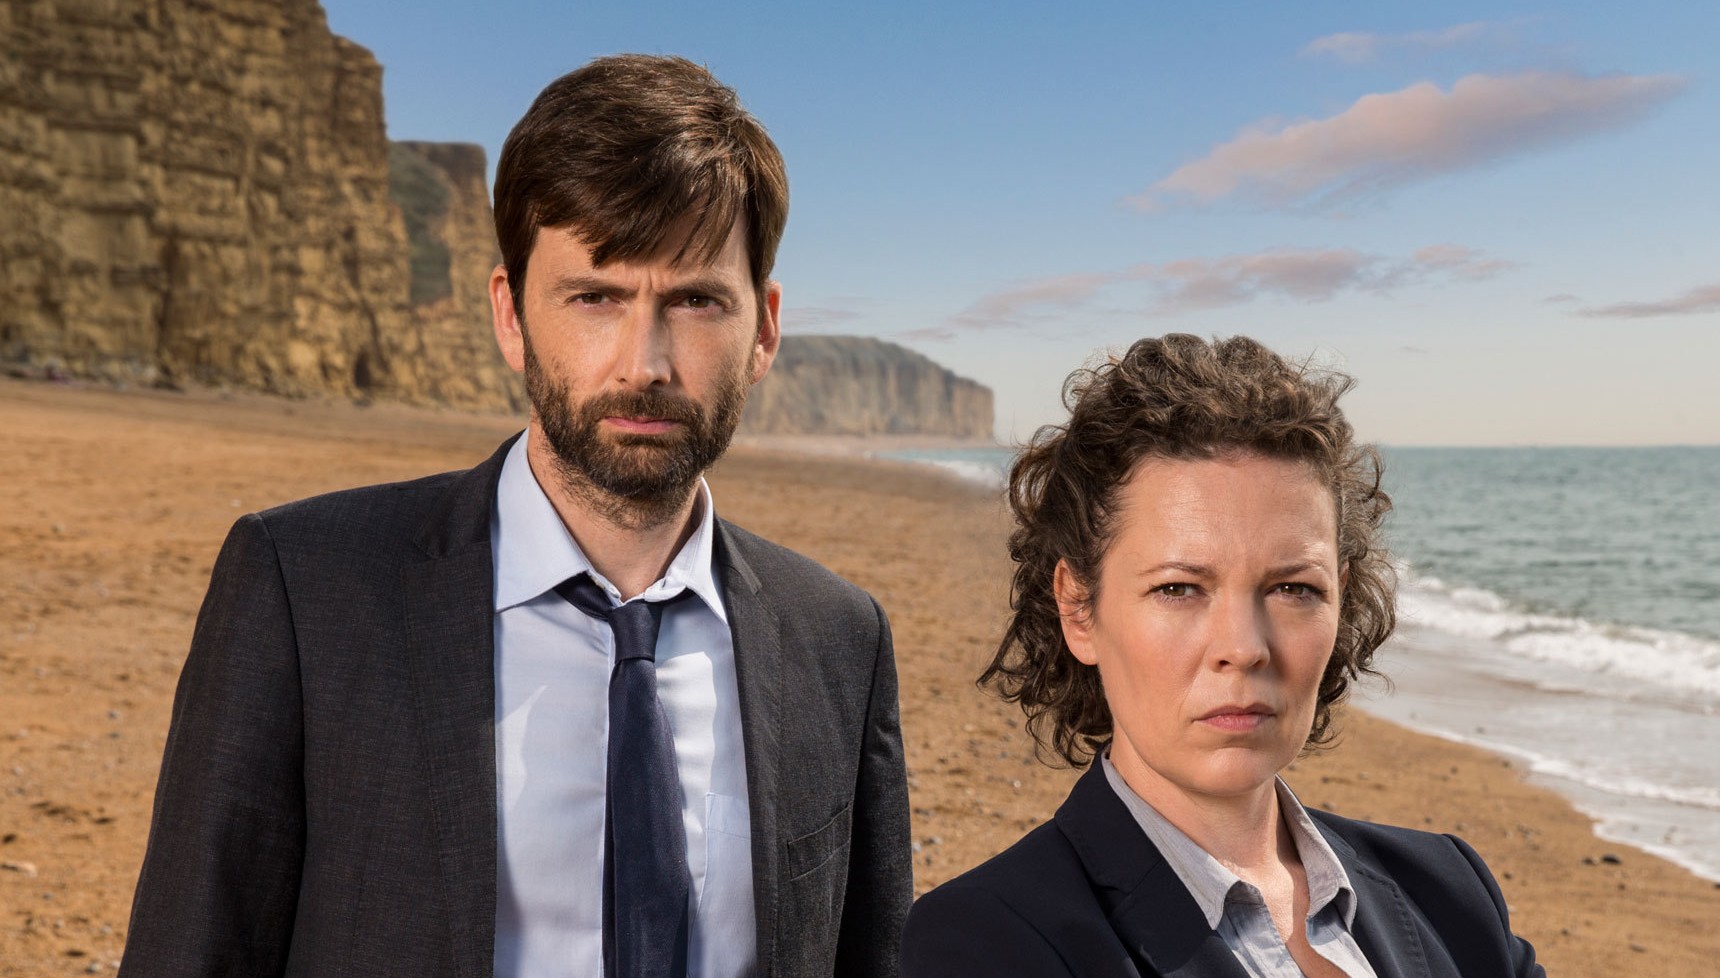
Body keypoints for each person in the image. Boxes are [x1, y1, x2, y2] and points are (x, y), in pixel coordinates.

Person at [120, 55, 911, 978]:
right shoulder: (303, 588)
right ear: (510, 313)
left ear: (765, 328)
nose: (643, 361)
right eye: (595, 297)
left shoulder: (838, 640)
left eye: (695, 300)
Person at [901, 335, 1543, 977]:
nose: (1244, 648)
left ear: (1342, 600)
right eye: (1178, 589)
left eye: (1294, 589)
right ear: (1079, 608)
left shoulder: (1450, 892)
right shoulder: (982, 942)